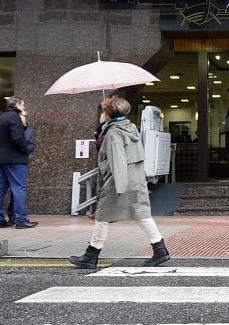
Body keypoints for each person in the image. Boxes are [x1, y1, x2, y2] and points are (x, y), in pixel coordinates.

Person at [69, 96, 170, 269]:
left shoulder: (113, 132)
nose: (101, 114)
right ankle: (160, 250)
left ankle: (91, 256)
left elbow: (117, 160)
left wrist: (119, 188)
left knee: (102, 216)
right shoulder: (130, 128)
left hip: (119, 181)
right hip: (135, 179)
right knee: (142, 214)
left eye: (103, 111)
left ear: (108, 115)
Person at [0, 97, 36, 229]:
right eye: (22, 105)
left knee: (0, 189)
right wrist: (24, 150)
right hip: (15, 159)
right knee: (19, 188)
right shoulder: (14, 117)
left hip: (1, 159)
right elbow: (17, 138)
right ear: (16, 105)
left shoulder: (1, 118)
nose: (23, 108)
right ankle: (20, 219)